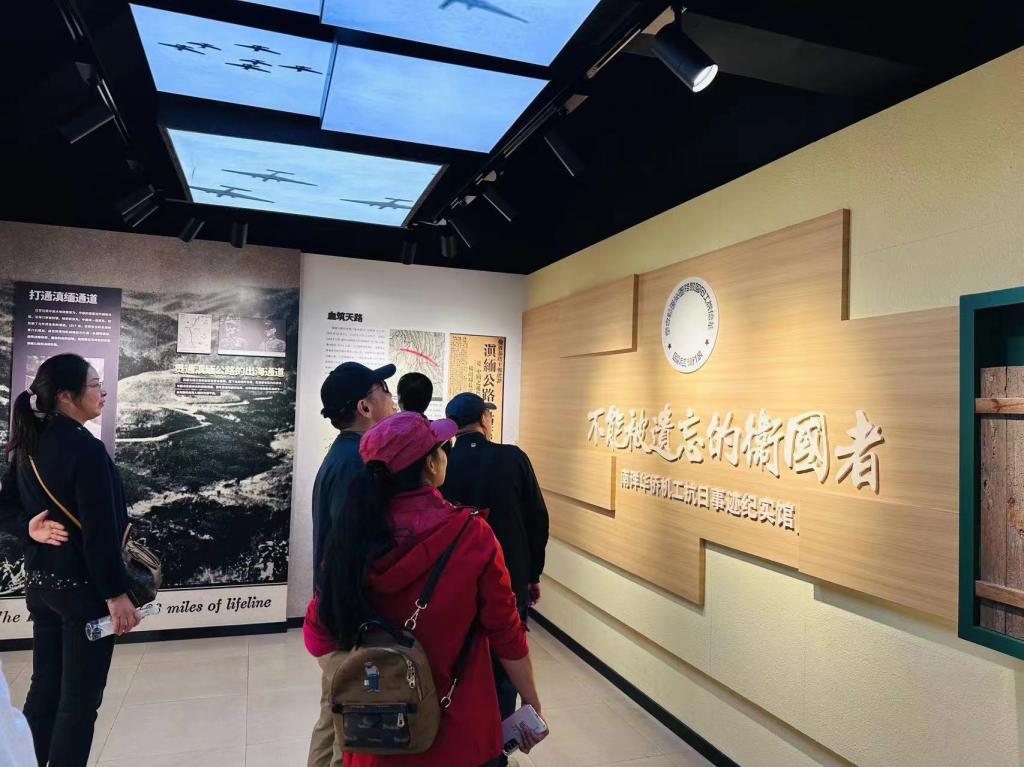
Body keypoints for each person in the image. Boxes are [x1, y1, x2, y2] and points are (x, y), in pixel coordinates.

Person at [309, 411, 545, 767]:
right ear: (432, 466)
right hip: (462, 735)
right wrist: (530, 698)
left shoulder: (348, 540)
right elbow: (506, 631)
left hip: (380, 740)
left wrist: (370, 680)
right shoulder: (472, 536)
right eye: (440, 449)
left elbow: (318, 636)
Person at [0, 353, 139, 767]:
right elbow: (100, 533)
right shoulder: (86, 449)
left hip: (42, 587)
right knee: (79, 702)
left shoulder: (28, 444)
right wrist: (116, 595)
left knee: (45, 686)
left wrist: (29, 529)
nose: (102, 392)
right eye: (94, 385)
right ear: (66, 395)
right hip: (83, 593)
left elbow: (5, 507)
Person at [440, 393, 549, 740]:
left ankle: (461, 742)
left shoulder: (439, 462)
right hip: (509, 579)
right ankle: (498, 746)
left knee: (457, 665)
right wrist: (532, 574)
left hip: (453, 586)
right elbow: (538, 519)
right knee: (506, 663)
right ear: (484, 421)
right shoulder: (513, 458)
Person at [309, 361, 397, 767]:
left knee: (331, 716)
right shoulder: (357, 465)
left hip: (333, 611)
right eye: (384, 391)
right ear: (365, 407)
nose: (391, 399)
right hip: (348, 620)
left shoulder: (343, 455)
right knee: (349, 731)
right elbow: (353, 552)